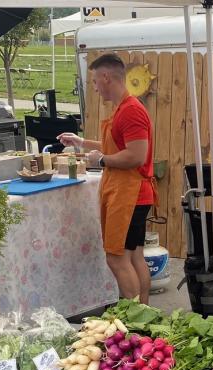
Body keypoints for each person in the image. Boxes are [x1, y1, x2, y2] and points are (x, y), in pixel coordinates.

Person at [58, 53, 155, 304]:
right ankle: (145, 316)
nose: (95, 87)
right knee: (134, 257)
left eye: (94, 81)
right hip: (134, 194)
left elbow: (136, 156)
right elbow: (119, 145)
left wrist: (100, 161)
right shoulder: (123, 108)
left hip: (129, 195)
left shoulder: (131, 111)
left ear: (106, 76)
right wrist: (82, 143)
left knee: (117, 258)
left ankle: (135, 317)